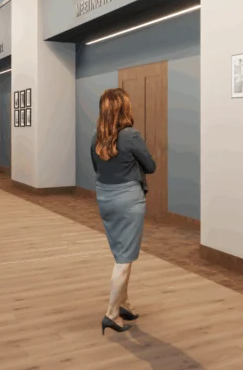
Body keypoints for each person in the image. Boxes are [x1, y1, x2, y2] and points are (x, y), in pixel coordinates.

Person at [92, 88, 156, 335]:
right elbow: (150, 166)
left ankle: (124, 304)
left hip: (105, 197)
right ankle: (111, 313)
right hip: (128, 199)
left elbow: (96, 166)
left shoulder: (96, 137)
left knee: (121, 253)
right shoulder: (130, 136)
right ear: (124, 109)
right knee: (124, 259)